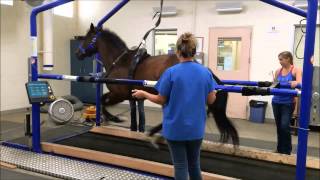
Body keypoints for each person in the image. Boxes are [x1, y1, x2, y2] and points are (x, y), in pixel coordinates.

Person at [132, 32, 217, 180]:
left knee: (180, 165)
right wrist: (213, 92)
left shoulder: (170, 73)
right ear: (194, 51)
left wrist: (143, 94)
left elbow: (161, 99)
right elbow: (211, 100)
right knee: (194, 165)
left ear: (177, 52)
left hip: (175, 128)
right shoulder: (205, 72)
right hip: (196, 129)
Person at [272, 51, 302, 155]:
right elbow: (274, 85)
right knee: (279, 127)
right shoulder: (278, 71)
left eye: (281, 59)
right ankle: (280, 149)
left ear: (288, 59)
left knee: (285, 126)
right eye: (279, 59)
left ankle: (287, 150)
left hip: (288, 103)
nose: (280, 62)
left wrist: (297, 83)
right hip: (276, 102)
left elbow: (300, 83)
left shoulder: (295, 70)